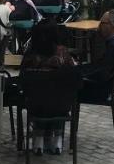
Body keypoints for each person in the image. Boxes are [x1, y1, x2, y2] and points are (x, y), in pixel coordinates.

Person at [20, 20, 77, 154]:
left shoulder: (30, 57)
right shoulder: (63, 55)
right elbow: (74, 79)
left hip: (36, 106)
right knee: (58, 94)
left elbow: (23, 81)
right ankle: (57, 140)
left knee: (40, 96)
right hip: (61, 106)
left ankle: (38, 138)